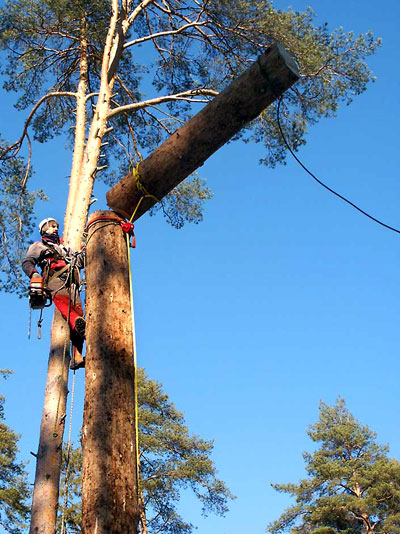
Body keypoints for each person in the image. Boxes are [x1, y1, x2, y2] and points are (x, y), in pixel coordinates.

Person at [22, 217, 86, 370]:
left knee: (78, 312)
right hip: (54, 279)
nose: (55, 229)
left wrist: (85, 245)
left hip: (71, 281)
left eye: (56, 226)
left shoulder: (64, 249)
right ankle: (82, 329)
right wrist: (34, 274)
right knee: (65, 305)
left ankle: (77, 357)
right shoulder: (39, 246)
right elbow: (27, 262)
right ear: (44, 229)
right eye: (51, 227)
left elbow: (80, 262)